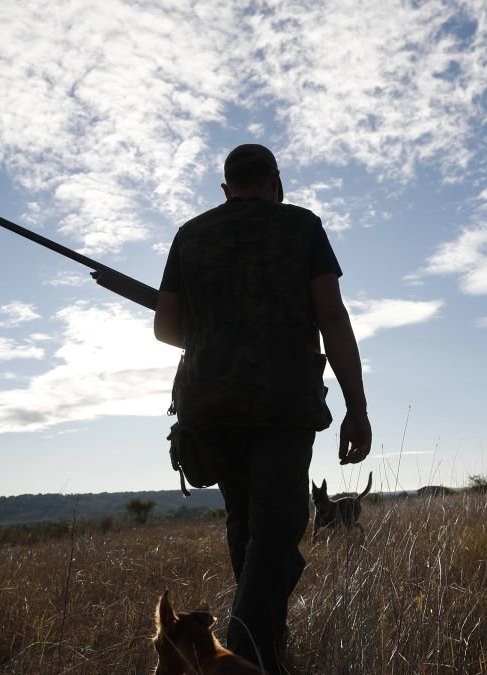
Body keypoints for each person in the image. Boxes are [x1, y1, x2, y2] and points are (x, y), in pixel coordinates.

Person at [154, 144, 371, 673]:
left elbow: (165, 329)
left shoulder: (190, 235)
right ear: (277, 181)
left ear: (225, 189)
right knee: (275, 532)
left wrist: (217, 335)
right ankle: (243, 658)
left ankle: (265, 647)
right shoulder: (302, 227)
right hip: (283, 407)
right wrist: (356, 407)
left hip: (211, 409)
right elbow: (332, 318)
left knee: (248, 529)